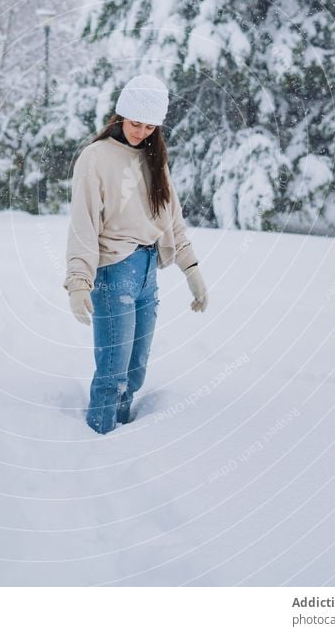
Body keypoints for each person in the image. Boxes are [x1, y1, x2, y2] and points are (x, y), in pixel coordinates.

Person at [63, 74, 209, 434]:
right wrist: (79, 280)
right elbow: (83, 224)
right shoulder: (95, 158)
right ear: (119, 117)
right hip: (114, 269)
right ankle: (100, 439)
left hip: (147, 269)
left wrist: (192, 270)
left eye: (149, 126)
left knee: (135, 369)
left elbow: (171, 217)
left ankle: (124, 436)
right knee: (113, 370)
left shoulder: (154, 158)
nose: (141, 131)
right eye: (135, 123)